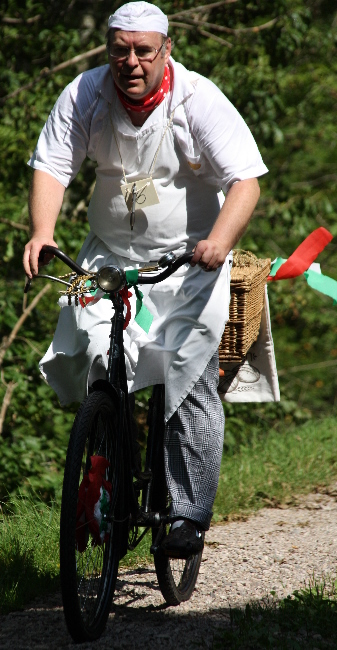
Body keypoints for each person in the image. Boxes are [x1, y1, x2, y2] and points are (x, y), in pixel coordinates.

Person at [23, 1, 268, 558]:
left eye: (143, 50)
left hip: (191, 260)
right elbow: (53, 165)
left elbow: (245, 181)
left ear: (166, 50)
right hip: (111, 258)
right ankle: (104, 476)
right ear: (108, 49)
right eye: (119, 50)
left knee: (188, 374)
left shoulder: (197, 99)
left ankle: (187, 515)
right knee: (95, 355)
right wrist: (42, 232)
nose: (130, 62)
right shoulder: (85, 94)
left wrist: (219, 242)